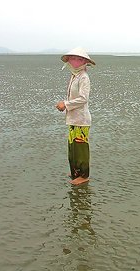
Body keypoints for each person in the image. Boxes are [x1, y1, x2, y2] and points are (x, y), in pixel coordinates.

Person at [56, 47, 96, 185]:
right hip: (73, 118)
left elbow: (83, 99)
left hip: (81, 119)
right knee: (72, 146)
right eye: (72, 58)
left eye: (78, 59)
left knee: (80, 148)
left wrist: (65, 104)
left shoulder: (84, 77)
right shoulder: (74, 76)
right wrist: (65, 105)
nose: (74, 61)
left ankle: (84, 175)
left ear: (84, 62)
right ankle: (76, 172)